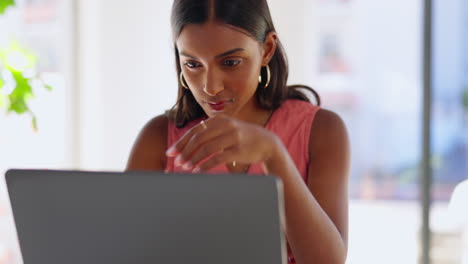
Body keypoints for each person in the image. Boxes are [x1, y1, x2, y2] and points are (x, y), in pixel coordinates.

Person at [126, 0, 350, 263]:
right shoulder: (158, 138)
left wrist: (273, 155)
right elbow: (124, 249)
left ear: (267, 49)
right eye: (193, 64)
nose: (211, 87)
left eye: (230, 62)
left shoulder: (320, 131)